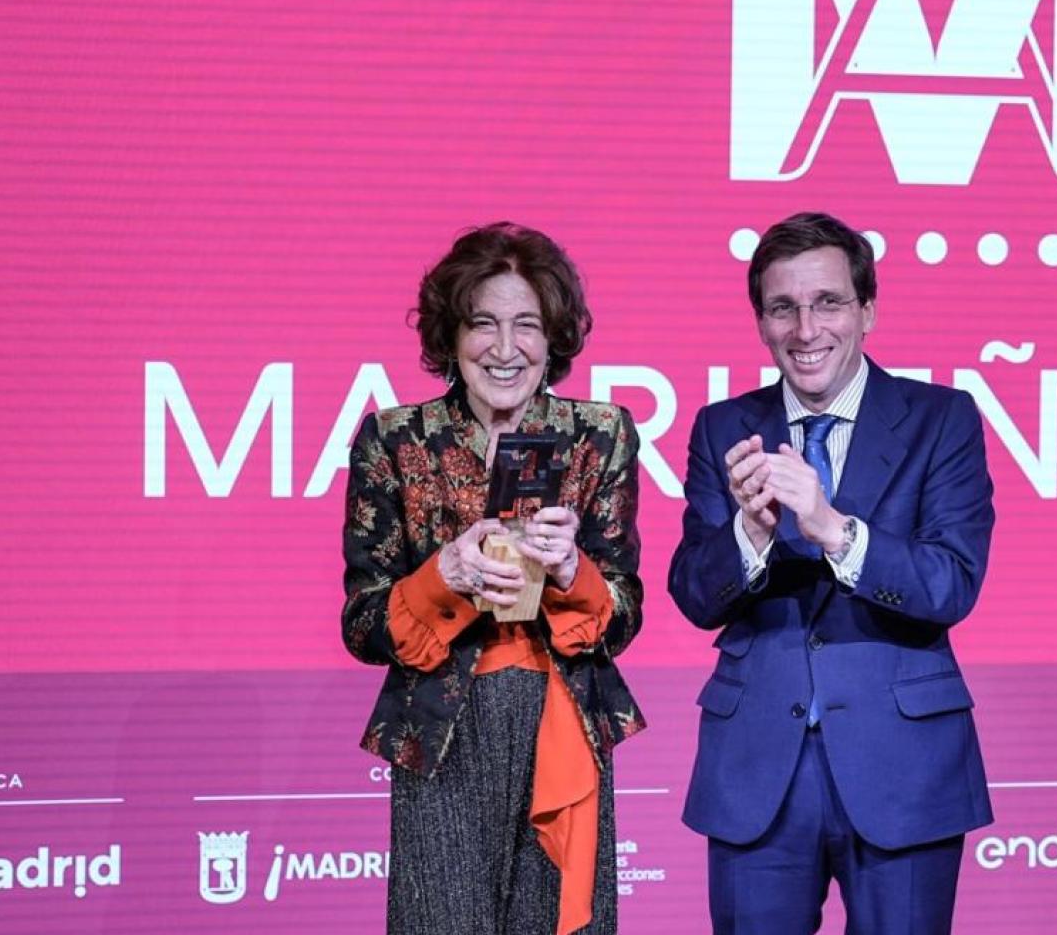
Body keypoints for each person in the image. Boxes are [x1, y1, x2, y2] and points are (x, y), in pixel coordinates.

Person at [669, 212, 995, 934]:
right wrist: (749, 535)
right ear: (760, 321)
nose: (806, 329)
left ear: (867, 310)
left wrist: (833, 530)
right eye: (783, 308)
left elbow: (951, 583)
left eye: (828, 303)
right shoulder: (724, 427)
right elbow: (695, 592)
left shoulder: (943, 418)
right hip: (758, 767)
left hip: (903, 762)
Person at [341, 223, 644, 935]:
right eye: (483, 324)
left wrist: (573, 569)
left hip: (562, 722)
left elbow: (623, 614)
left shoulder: (599, 434)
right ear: (451, 334)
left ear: (554, 338)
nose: (505, 350)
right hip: (442, 732)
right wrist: (439, 576)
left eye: (527, 326)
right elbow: (361, 622)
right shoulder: (393, 438)